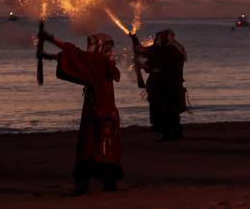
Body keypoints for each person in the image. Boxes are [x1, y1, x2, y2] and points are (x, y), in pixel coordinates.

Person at [39, 31, 124, 195]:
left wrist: (51, 39)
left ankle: (84, 185)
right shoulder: (104, 62)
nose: (89, 46)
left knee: (90, 146)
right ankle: (108, 183)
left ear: (99, 45)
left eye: (92, 43)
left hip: (98, 112)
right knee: (104, 147)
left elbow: (74, 54)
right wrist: (50, 57)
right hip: (105, 111)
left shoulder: (98, 61)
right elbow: (79, 60)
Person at [131, 29, 188, 141]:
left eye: (157, 39)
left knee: (169, 112)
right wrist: (134, 38)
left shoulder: (173, 51)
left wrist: (146, 66)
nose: (155, 41)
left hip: (170, 87)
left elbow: (161, 64)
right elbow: (141, 50)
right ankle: (172, 133)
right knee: (165, 111)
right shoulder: (162, 50)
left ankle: (172, 134)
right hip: (163, 87)